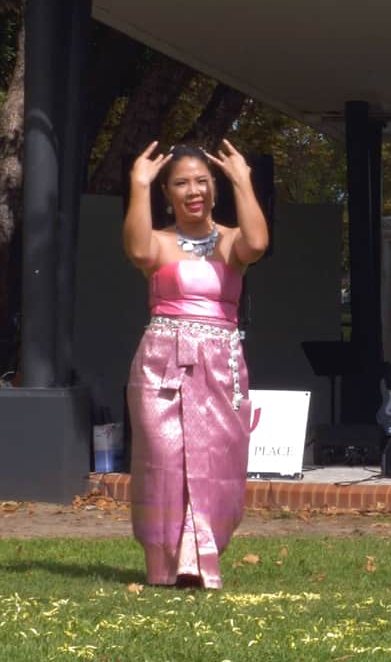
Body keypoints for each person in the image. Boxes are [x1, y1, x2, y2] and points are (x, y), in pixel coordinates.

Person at [123, 140, 269, 589]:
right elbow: (138, 251)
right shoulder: (160, 243)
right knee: (163, 458)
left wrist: (243, 179)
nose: (193, 190)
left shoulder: (231, 243)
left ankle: (202, 555)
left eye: (202, 181)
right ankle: (164, 565)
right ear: (168, 192)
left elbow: (259, 242)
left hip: (221, 362)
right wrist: (138, 185)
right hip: (161, 363)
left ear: (215, 189)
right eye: (182, 183)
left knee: (218, 459)